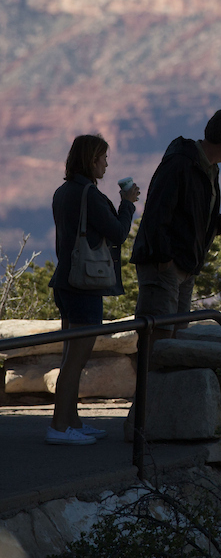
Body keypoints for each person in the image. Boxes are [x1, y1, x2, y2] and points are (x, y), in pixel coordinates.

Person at [47, 134, 140, 446]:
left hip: (64, 280)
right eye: (102, 158)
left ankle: (72, 421)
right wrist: (127, 205)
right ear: (90, 160)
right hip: (84, 286)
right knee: (76, 360)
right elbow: (117, 233)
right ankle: (59, 428)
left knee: (69, 356)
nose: (106, 163)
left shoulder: (63, 192)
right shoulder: (90, 194)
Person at [129, 108, 221, 330]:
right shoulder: (181, 163)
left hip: (185, 267)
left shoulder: (210, 169)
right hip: (165, 266)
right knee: (158, 337)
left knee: (177, 340)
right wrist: (164, 258)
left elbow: (190, 217)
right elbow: (157, 212)